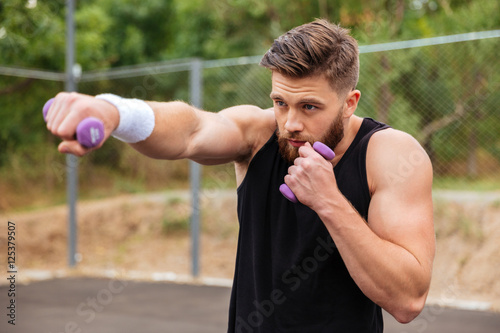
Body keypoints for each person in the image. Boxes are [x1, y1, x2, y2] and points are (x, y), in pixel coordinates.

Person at [45, 19, 435, 332]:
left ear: (349, 103)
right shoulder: (259, 133)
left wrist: (329, 202)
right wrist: (115, 112)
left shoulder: (389, 155)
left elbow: (407, 300)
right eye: (280, 102)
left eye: (310, 107)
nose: (291, 123)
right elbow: (192, 130)